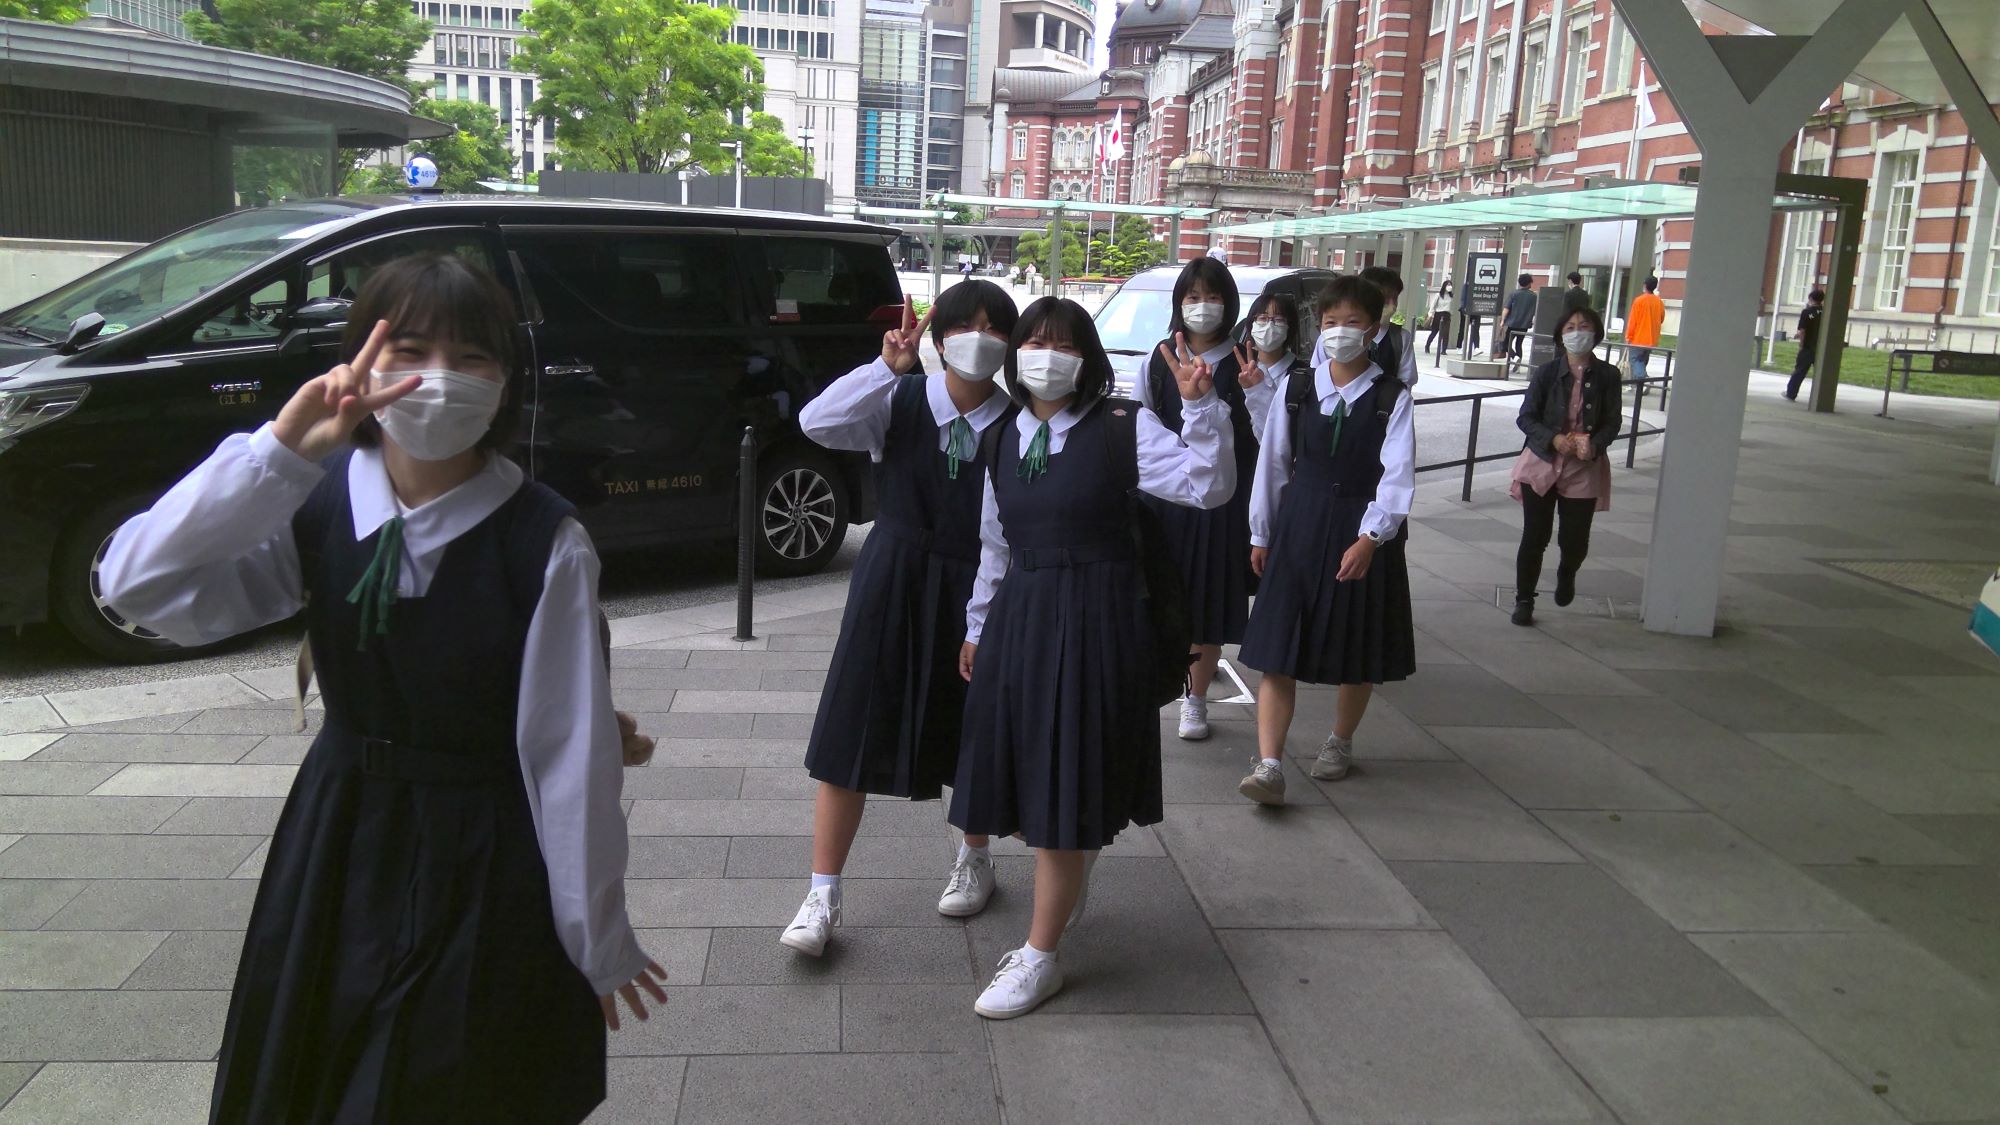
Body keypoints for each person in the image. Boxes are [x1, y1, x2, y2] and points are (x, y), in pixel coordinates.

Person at [97, 254, 666, 1124]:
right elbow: (135, 584)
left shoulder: (542, 538)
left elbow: (569, 756)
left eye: (472, 356)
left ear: (507, 380)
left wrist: (597, 939)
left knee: (447, 1079)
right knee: (315, 1074)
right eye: (409, 347)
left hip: (483, 851)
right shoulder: (318, 505)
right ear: (359, 360)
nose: (439, 378)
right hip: (338, 836)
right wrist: (279, 454)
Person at [951, 297, 1234, 1019]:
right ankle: (1069, 871)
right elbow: (996, 543)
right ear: (1016, 357)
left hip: (1097, 618)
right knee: (1023, 772)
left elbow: (1208, 486)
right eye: (1033, 341)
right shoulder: (1001, 437)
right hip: (1023, 615)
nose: (1047, 354)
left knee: (1062, 779)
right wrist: (977, 626)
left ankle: (1040, 953)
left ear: (1087, 357)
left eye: (1062, 342)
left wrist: (1203, 410)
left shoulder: (1120, 427)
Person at [782, 282, 1020, 958]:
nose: (979, 337)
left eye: (993, 327)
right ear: (939, 337)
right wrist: (887, 366)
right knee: (851, 724)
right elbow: (818, 423)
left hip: (978, 581)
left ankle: (973, 855)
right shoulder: (902, 398)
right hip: (892, 573)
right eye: (965, 325)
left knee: (972, 725)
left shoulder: (1014, 421)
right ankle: (820, 894)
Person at [1236, 274, 1416, 804]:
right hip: (1300, 522)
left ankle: (1340, 742)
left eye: (1352, 323)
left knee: (1355, 643)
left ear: (1374, 328)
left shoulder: (1390, 396)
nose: (1339, 332)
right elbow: (1272, 462)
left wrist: (1372, 537)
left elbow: (1397, 473)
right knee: (1277, 647)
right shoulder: (1296, 389)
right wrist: (1260, 531)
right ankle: (1269, 764)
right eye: (1330, 322)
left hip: (1361, 528)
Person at [1139, 257, 1264, 741]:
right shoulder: (1160, 357)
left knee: (1206, 604)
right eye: (1192, 297)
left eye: (1212, 297)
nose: (1202, 306)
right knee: (1161, 594)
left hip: (1221, 503)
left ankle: (1195, 700)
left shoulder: (1242, 361)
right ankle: (1157, 683)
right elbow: (1143, 420)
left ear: (1228, 303)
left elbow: (1266, 434)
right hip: (1165, 500)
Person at [1509, 305, 1623, 627]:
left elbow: (1613, 422)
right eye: (1570, 327)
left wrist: (1595, 443)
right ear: (1561, 334)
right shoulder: (1546, 373)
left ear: (1596, 333)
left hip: (1583, 468)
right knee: (1535, 535)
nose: (1577, 332)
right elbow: (1526, 417)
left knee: (1574, 540)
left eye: (1583, 326)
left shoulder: (1608, 376)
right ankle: (1524, 599)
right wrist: (1554, 439)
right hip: (1542, 463)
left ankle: (1567, 571)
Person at [1359, 265, 1421, 388]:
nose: (1392, 306)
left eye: (1395, 298)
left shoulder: (1401, 338)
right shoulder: (1341, 333)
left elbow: (1406, 381)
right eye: (1385, 298)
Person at [1785, 288, 1826, 401]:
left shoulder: (1807, 312)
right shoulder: (1826, 312)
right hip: (1822, 347)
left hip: (1808, 346)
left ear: (1811, 298)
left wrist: (1801, 344)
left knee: (1800, 371)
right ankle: (1822, 397)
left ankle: (1791, 393)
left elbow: (1803, 330)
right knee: (1822, 374)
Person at [1626, 275, 1665, 382]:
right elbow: (1661, 319)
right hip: (1652, 339)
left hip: (1638, 338)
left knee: (1635, 360)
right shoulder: (1659, 302)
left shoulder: (1639, 301)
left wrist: (1629, 336)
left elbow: (1633, 321)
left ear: (1645, 285)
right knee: (1642, 361)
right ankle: (1638, 384)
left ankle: (1642, 379)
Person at [1504, 273, 1539, 364]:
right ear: (1529, 283)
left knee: (1506, 344)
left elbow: (1506, 308)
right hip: (1524, 325)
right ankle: (1518, 366)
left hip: (1512, 323)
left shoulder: (1514, 294)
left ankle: (1515, 358)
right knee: (1519, 344)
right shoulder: (1534, 296)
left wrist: (1502, 321)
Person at [1424, 280, 1453, 359]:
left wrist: (1451, 313)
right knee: (1434, 332)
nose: (1449, 286)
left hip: (1447, 315)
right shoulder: (1438, 295)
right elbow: (1433, 306)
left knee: (1445, 333)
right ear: (1444, 286)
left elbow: (1451, 307)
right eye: (1448, 284)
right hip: (1438, 315)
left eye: (1450, 284)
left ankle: (1443, 349)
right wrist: (1430, 315)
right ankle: (1427, 346)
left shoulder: (1451, 296)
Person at [1456, 278, 1483, 353]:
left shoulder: (1479, 286)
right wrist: (1463, 307)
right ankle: (1459, 347)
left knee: (1476, 329)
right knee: (1463, 329)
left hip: (1476, 309)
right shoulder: (1467, 285)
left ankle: (1476, 347)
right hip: (1466, 309)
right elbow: (1463, 297)